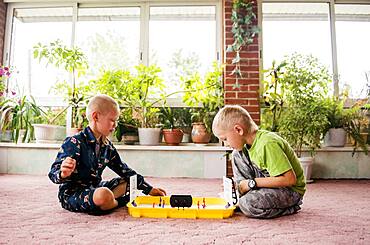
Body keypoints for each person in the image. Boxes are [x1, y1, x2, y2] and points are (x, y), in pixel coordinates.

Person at [48, 94, 166, 215]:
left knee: (131, 182)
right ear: (96, 116)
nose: (115, 125)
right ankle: (113, 202)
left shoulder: (107, 146)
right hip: (74, 194)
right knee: (103, 194)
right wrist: (63, 173)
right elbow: (53, 173)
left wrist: (150, 189)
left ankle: (108, 202)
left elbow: (125, 171)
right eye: (112, 120)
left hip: (96, 188)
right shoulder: (74, 142)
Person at [212, 105, 305, 219]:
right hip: (269, 182)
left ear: (238, 130)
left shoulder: (267, 144)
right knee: (237, 154)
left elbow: (289, 179)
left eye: (225, 139)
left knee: (247, 204)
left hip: (290, 191)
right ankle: (242, 194)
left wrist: (252, 183)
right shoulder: (246, 147)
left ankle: (292, 207)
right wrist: (238, 186)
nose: (226, 144)